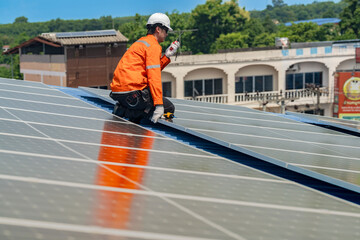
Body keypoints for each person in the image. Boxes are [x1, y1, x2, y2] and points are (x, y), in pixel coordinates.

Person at [110, 13, 180, 123]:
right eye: (166, 30)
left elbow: (150, 70)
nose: (166, 34)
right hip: (133, 94)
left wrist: (166, 56)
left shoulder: (140, 43)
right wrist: (159, 105)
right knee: (168, 109)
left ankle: (125, 109)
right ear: (158, 29)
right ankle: (126, 111)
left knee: (147, 106)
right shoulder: (153, 46)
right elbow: (154, 77)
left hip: (120, 94)